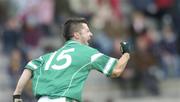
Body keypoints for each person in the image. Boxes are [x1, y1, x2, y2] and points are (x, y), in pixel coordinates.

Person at [13, 18, 130, 102]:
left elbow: (29, 67)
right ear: (77, 35)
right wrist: (126, 53)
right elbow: (116, 70)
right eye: (87, 31)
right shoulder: (87, 52)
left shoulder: (49, 56)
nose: (91, 34)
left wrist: (17, 95)